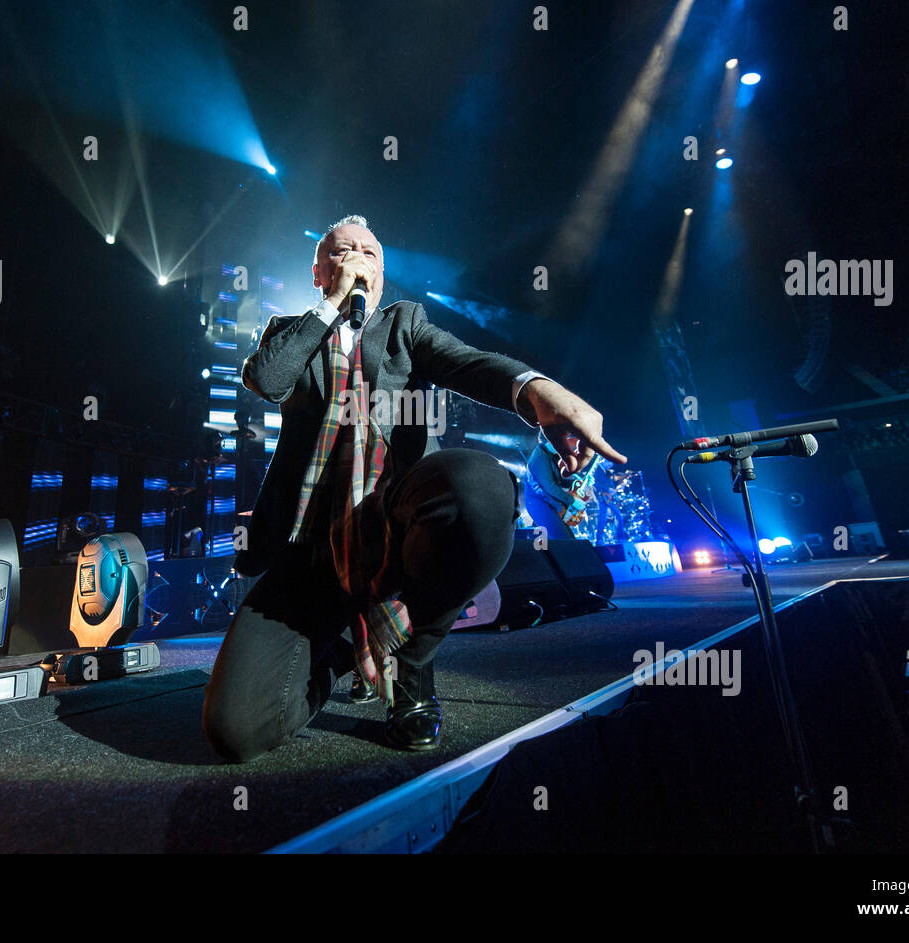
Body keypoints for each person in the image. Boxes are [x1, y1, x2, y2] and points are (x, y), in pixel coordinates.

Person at [201, 215, 626, 761]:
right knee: (234, 730)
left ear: (382, 273)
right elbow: (270, 380)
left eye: (369, 254)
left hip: (389, 525)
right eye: (341, 252)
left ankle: (411, 661)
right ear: (317, 272)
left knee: (481, 487)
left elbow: (470, 364)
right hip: (307, 550)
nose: (357, 260)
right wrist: (330, 309)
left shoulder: (406, 325)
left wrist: (540, 392)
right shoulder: (291, 330)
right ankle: (344, 644)